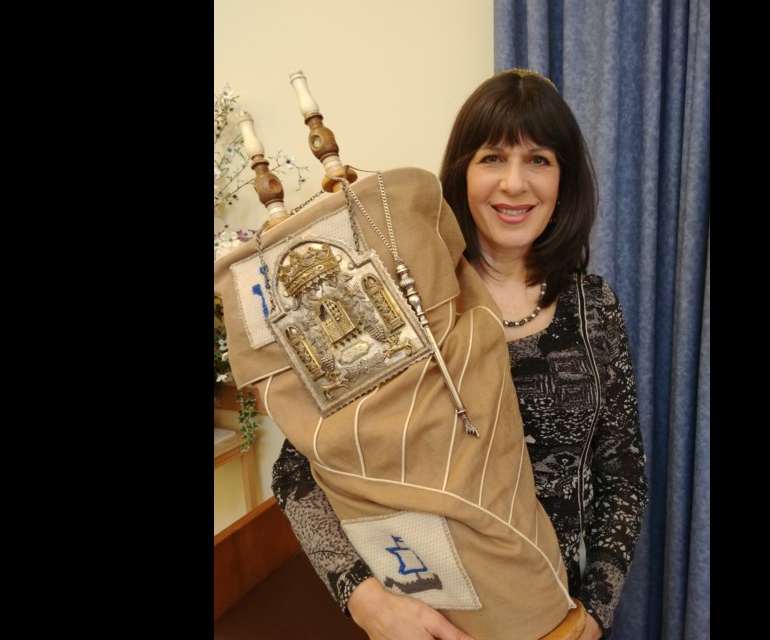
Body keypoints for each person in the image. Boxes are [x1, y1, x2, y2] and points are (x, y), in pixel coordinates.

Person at [272, 68, 649, 640]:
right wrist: (365, 600)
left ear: (564, 179)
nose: (515, 184)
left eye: (539, 159)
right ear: (460, 174)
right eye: (493, 158)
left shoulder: (593, 304)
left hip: (560, 617)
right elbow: (297, 469)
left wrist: (593, 615)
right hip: (433, 624)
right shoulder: (403, 302)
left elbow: (623, 472)